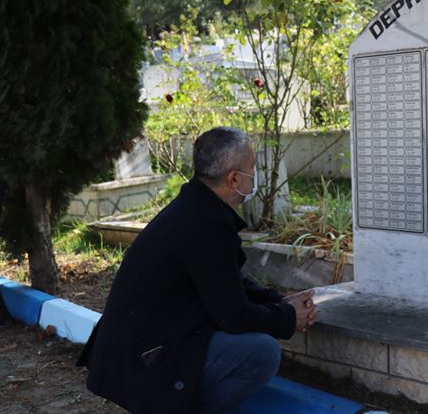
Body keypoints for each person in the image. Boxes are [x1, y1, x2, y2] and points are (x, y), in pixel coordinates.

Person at [77, 127, 317, 413]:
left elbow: (225, 281)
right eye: (252, 170)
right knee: (262, 353)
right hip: (144, 360)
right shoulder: (205, 225)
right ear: (234, 178)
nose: (255, 178)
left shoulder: (196, 208)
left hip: (133, 350)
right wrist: (288, 318)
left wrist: (276, 301)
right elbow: (234, 317)